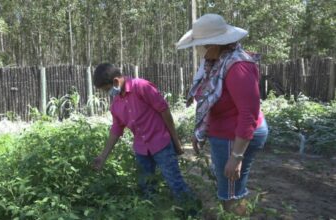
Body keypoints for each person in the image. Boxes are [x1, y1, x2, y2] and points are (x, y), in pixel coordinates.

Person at [176, 14, 269, 215]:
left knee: (231, 191)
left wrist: (236, 156)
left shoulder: (238, 66)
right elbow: (210, 101)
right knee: (230, 187)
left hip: (235, 136)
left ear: (215, 44)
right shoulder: (216, 61)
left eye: (201, 45)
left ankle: (234, 217)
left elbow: (248, 113)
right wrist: (201, 131)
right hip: (225, 132)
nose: (198, 50)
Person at [91, 63, 194, 204]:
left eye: (107, 89)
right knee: (146, 188)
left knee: (175, 183)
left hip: (161, 143)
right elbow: (116, 130)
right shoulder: (116, 105)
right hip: (141, 150)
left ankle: (192, 212)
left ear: (115, 81)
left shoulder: (141, 87)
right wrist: (102, 157)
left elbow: (164, 111)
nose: (108, 93)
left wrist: (176, 141)